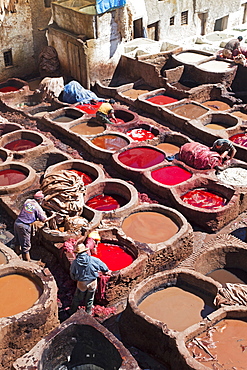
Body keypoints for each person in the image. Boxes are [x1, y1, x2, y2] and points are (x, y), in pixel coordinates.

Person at [69, 242, 111, 315]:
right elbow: (105, 268)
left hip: (81, 283)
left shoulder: (75, 263)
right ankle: (88, 312)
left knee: (77, 298)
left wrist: (75, 278)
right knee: (90, 299)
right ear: (85, 251)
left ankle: (72, 311)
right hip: (92, 282)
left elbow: (72, 273)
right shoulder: (93, 259)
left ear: (77, 253)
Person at [14, 191, 48, 261]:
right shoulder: (38, 207)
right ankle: (27, 262)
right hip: (24, 226)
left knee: (17, 240)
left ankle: (16, 253)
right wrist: (52, 216)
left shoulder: (28, 201)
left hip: (17, 222)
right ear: (40, 200)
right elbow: (44, 220)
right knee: (26, 246)